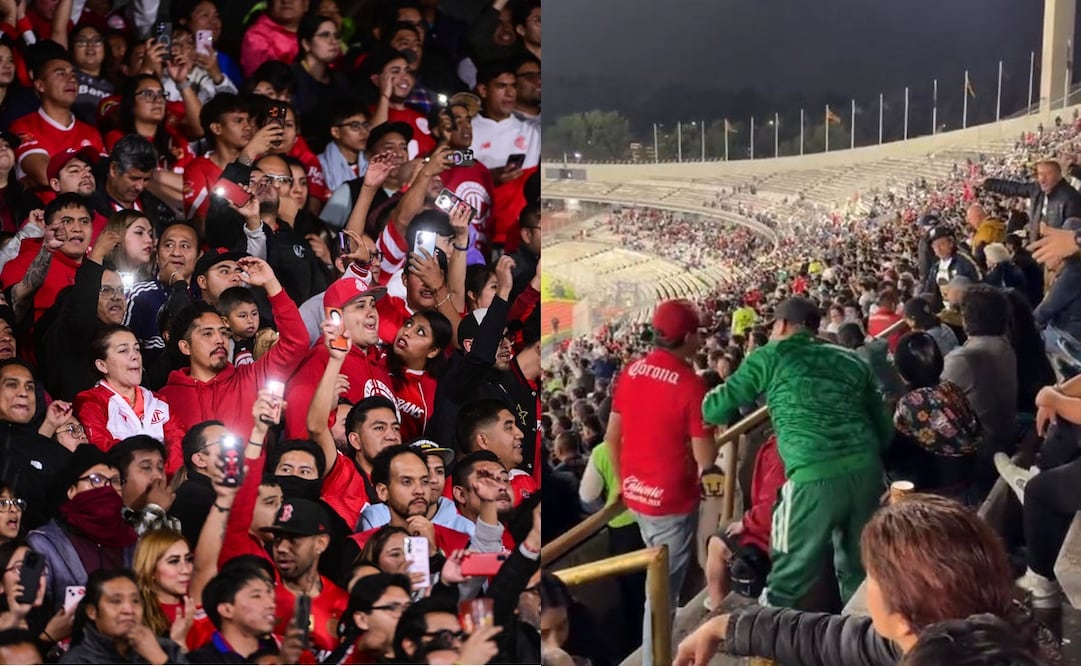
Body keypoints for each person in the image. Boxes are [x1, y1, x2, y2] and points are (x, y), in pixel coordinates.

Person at [672, 495, 1045, 666]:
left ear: (902, 617)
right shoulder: (945, 631)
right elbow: (836, 640)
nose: (867, 587)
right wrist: (727, 626)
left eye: (874, 578)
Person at [703, 296, 892, 610]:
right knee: (860, 566)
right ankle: (861, 634)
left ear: (780, 325)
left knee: (787, 577)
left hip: (811, 477)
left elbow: (716, 406)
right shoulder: (850, 358)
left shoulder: (770, 354)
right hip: (866, 470)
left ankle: (767, 650)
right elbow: (883, 427)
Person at [606, 299, 715, 666]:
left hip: (635, 497)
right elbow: (706, 457)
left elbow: (611, 438)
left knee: (661, 584)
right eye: (697, 333)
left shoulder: (632, 370)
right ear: (687, 337)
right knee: (661, 596)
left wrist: (622, 483)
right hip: (670, 503)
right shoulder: (691, 384)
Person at [28, 445, 137, 611]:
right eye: (96, 479)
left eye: (115, 481)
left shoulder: (132, 543)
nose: (107, 489)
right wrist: (48, 635)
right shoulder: (39, 543)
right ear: (71, 490)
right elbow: (26, 606)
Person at [74, 325, 187, 476]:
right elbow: (104, 449)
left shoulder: (159, 401)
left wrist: (160, 478)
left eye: (137, 349)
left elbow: (178, 446)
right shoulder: (90, 401)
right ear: (102, 365)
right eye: (123, 351)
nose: (135, 356)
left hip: (165, 486)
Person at [888, 332, 982, 501]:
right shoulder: (950, 387)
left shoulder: (910, 402)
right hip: (971, 471)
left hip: (939, 483)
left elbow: (895, 452)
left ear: (902, 368)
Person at [60, 568, 187, 664]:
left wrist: (160, 659)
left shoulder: (165, 649)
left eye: (135, 601)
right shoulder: (77, 660)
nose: (129, 610)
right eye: (116, 601)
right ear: (92, 611)